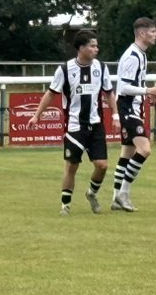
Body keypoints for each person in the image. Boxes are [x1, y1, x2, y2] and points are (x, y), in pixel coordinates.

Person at [29, 30, 121, 216]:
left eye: (96, 45)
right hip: (74, 126)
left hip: (95, 125)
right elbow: (50, 93)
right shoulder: (65, 69)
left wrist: (115, 115)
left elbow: (109, 92)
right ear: (81, 48)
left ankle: (91, 193)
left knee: (102, 165)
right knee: (72, 166)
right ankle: (66, 205)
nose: (97, 49)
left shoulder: (101, 68)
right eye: (92, 46)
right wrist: (37, 115)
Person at [111, 17, 156, 212]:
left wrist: (150, 95)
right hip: (127, 106)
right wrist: (148, 91)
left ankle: (115, 198)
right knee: (144, 149)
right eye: (153, 31)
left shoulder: (141, 55)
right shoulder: (132, 56)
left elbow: (134, 86)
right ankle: (123, 193)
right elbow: (124, 87)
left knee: (127, 153)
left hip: (134, 106)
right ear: (142, 33)